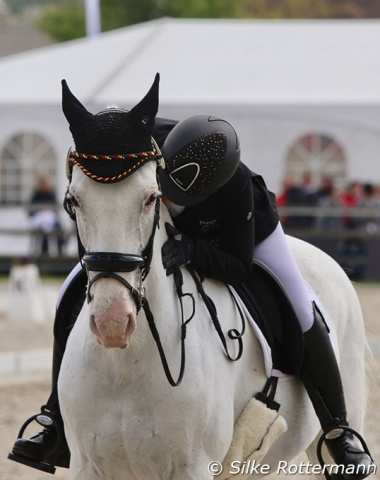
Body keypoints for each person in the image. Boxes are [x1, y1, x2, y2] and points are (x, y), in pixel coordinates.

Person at [10, 110, 372, 479]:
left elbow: (237, 265)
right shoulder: (146, 142)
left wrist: (193, 251)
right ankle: (54, 419)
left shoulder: (236, 187)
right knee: (69, 291)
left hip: (239, 238)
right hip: (150, 215)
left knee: (300, 304)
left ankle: (338, 431)